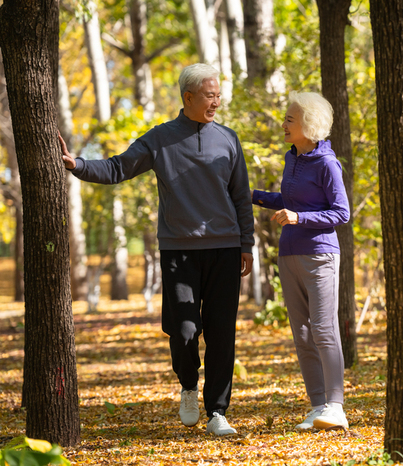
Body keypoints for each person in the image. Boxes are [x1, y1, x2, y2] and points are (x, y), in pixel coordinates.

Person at [60, 63, 254, 437]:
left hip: (225, 248)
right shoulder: (160, 139)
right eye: (210, 95)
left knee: (221, 333)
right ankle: (187, 386)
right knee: (183, 330)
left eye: (218, 95)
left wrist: (246, 243)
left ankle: (217, 411)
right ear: (188, 97)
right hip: (179, 250)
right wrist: (78, 165)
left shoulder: (229, 139)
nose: (216, 101)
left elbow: (241, 196)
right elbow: (119, 167)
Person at [252, 91, 350, 430]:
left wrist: (299, 219)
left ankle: (336, 407)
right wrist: (253, 196)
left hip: (321, 254)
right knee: (303, 334)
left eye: (289, 120)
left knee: (324, 329)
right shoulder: (292, 158)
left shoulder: (327, 163)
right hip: (289, 254)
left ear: (309, 125)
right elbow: (289, 200)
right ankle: (318, 405)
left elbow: (341, 212)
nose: (283, 125)